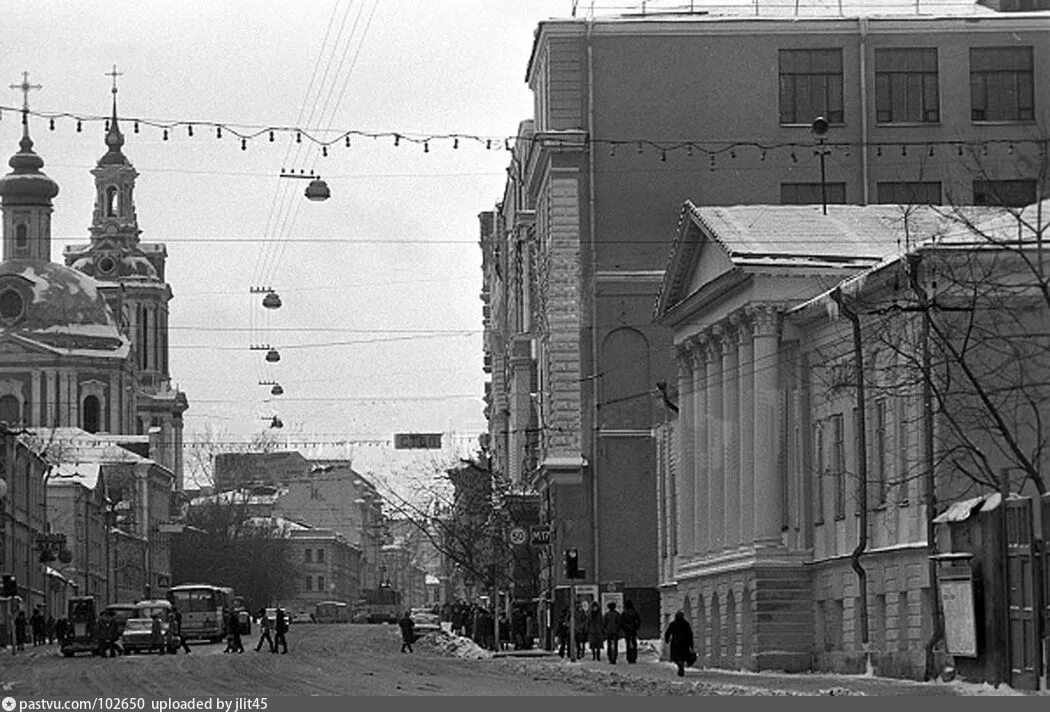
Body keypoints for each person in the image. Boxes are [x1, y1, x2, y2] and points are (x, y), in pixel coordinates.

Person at [664, 610, 695, 677]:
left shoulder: (673, 624)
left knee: (676, 657)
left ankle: (680, 665)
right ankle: (681, 665)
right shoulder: (686, 624)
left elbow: (668, 633)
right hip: (685, 644)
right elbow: (690, 635)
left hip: (675, 643)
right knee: (683, 656)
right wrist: (691, 645)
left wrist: (667, 639)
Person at [620, 600, 642, 664]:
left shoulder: (624, 613)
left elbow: (622, 622)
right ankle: (633, 657)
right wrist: (634, 626)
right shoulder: (634, 612)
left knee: (628, 644)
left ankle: (629, 657)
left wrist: (626, 627)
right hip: (633, 630)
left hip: (627, 631)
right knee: (633, 643)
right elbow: (638, 621)